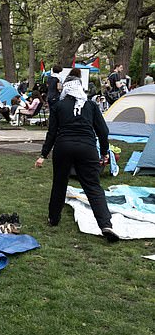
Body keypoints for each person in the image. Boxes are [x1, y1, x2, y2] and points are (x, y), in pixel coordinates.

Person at [35, 68, 119, 242]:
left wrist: (43, 154)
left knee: (59, 182)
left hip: (63, 146)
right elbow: (103, 131)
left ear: (66, 88)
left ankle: (53, 218)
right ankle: (105, 224)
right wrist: (104, 152)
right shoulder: (91, 106)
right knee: (93, 186)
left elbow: (52, 132)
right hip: (87, 148)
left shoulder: (58, 106)